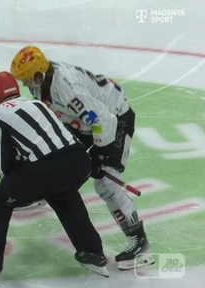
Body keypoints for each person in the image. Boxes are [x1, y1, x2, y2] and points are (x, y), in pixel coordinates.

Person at [10, 45, 155, 270]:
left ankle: (140, 242)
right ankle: (38, 191)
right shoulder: (44, 81)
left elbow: (104, 121)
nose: (26, 84)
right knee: (49, 149)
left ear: (39, 74)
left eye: (28, 79)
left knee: (105, 182)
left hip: (115, 118)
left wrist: (99, 154)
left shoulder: (67, 88)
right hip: (86, 121)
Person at [0, 71, 108, 288]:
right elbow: (50, 141)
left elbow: (5, 165)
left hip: (48, 168)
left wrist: (2, 174)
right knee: (61, 192)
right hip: (79, 160)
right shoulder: (38, 104)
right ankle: (92, 251)